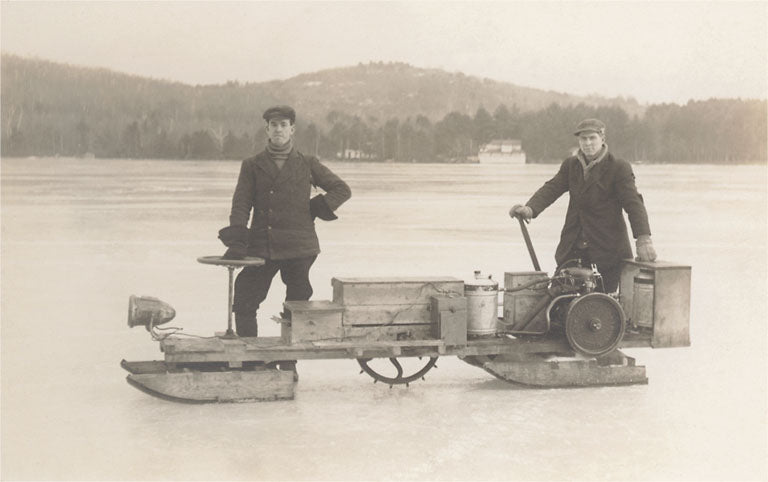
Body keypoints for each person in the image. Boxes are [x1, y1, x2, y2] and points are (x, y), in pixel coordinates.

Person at [218, 105, 351, 337]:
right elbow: (241, 205)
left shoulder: (308, 163)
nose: (278, 129)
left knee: (298, 302)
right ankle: (250, 353)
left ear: (292, 129)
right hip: (262, 245)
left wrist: (316, 207)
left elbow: (342, 189)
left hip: (300, 246)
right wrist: (237, 240)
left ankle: (291, 354)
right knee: (245, 298)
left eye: (283, 125)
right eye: (273, 125)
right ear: (267, 130)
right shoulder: (252, 165)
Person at [509, 118, 656, 293]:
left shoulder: (618, 167)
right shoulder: (571, 165)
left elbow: (634, 204)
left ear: (602, 138)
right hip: (572, 251)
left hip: (607, 254)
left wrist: (643, 239)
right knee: (556, 299)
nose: (587, 143)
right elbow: (552, 188)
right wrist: (530, 208)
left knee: (602, 305)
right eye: (583, 139)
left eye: (592, 138)